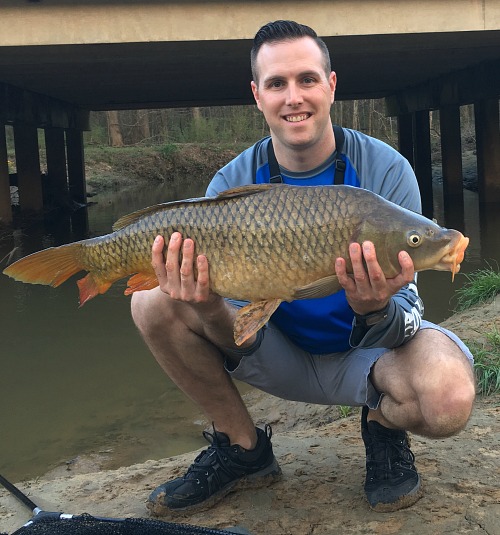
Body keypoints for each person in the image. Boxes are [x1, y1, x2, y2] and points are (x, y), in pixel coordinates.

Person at [131, 20, 475, 515]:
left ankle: (383, 427)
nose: (294, 97)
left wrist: (375, 306)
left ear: (331, 85)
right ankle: (242, 447)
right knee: (150, 302)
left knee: (448, 399)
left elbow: (406, 314)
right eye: (277, 83)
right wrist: (206, 303)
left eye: (307, 79)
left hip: (368, 357)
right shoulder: (231, 183)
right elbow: (234, 334)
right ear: (257, 95)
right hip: (275, 350)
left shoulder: (386, 171)